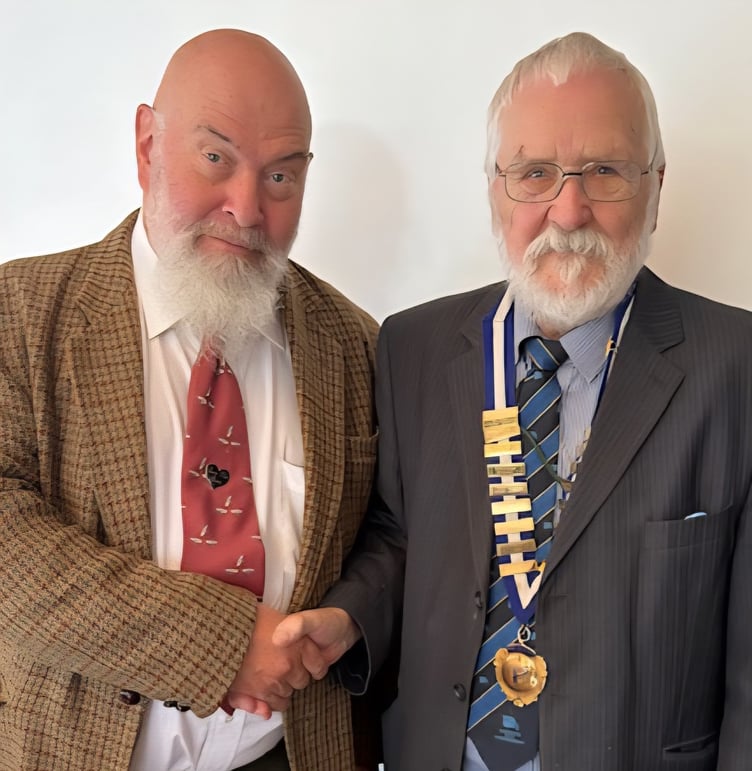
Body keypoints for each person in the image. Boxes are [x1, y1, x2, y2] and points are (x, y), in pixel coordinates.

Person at [272, 31, 752, 770]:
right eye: (535, 173)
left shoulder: (737, 369)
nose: (568, 211)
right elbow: (402, 535)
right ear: (495, 188)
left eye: (604, 171)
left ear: (656, 187)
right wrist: (349, 616)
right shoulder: (414, 347)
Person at [0, 29, 380, 771]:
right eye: (216, 158)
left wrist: (349, 616)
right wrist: (223, 643)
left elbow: (390, 533)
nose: (246, 207)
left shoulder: (356, 344)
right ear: (147, 145)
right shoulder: (17, 311)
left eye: (281, 177)